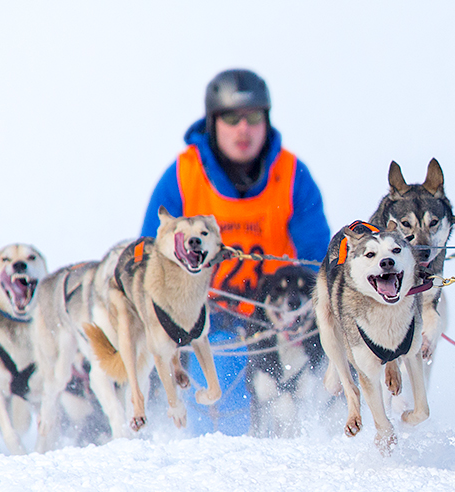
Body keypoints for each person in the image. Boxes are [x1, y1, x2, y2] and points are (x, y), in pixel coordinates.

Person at [142, 68, 331, 435]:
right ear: (214, 122)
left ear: (266, 120)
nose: (243, 128)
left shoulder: (292, 175)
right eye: (231, 118)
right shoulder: (183, 176)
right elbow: (150, 262)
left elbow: (318, 263)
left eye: (254, 117)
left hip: (276, 324)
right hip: (209, 323)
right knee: (224, 383)